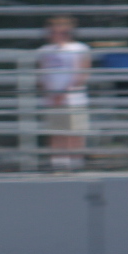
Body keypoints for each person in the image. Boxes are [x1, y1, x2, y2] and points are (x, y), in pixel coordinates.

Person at [36, 16, 92, 171]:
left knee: (75, 132)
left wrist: (65, 92)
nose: (57, 35)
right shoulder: (44, 51)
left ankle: (76, 164)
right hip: (52, 100)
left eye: (61, 32)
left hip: (75, 99)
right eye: (54, 32)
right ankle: (58, 164)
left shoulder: (80, 48)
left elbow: (83, 73)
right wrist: (51, 93)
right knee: (56, 132)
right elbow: (42, 74)